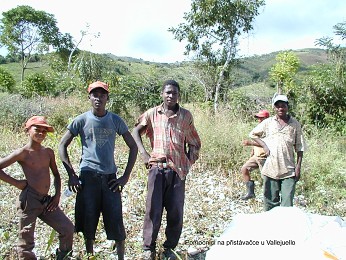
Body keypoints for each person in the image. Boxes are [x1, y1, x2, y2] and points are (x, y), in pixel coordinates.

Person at [58, 81, 138, 259]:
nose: (98, 98)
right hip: (88, 177)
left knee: (116, 220)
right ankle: (89, 255)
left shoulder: (115, 120)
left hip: (110, 178)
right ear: (89, 97)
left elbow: (133, 146)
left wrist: (125, 177)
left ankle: (120, 257)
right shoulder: (81, 120)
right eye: (95, 94)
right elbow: (62, 145)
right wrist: (71, 174)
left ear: (107, 98)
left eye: (102, 95)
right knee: (88, 220)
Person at [132, 79, 201, 260]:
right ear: (162, 94)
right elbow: (135, 132)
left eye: (174, 93)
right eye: (168, 92)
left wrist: (187, 163)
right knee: (152, 210)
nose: (171, 96)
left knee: (175, 211)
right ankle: (149, 248)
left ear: (179, 96)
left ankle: (170, 248)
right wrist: (144, 154)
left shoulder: (186, 116)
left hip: (177, 172)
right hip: (157, 168)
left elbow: (194, 142)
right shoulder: (152, 114)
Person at [0, 116, 74, 260]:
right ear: (28, 130)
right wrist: (17, 183)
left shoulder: (48, 152)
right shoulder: (22, 153)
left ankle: (64, 257)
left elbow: (56, 175)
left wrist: (57, 196)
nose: (41, 133)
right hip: (30, 200)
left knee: (67, 228)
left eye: (44, 131)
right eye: (37, 129)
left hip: (46, 200)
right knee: (26, 242)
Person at [249, 94, 306, 211]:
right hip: (270, 169)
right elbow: (253, 134)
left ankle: (284, 228)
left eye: (283, 106)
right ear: (274, 108)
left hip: (288, 170)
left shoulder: (294, 124)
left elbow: (300, 147)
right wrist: (264, 145)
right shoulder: (268, 122)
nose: (281, 108)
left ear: (287, 107)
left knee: (287, 206)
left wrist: (298, 167)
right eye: (278, 106)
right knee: (270, 205)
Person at [240, 109, 270, 200]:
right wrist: (253, 151)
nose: (259, 120)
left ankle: (269, 197)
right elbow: (256, 140)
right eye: (258, 118)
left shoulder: (269, 129)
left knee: (266, 178)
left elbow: (266, 143)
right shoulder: (258, 128)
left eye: (261, 118)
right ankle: (250, 192)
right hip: (256, 156)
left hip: (263, 157)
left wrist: (250, 143)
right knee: (244, 169)